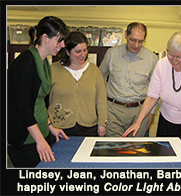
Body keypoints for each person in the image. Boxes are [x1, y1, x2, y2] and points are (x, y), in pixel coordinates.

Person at [123, 32, 181, 151]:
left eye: (179, 57)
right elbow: (152, 97)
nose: (174, 60)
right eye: (171, 55)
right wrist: (138, 122)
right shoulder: (162, 65)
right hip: (167, 121)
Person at [8, 16, 70, 167]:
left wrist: (50, 126)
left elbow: (40, 101)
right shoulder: (25, 63)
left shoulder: (44, 62)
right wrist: (40, 141)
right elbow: (22, 107)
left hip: (39, 133)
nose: (62, 45)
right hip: (25, 139)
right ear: (45, 38)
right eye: (59, 40)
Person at [99, 22, 158, 137]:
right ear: (126, 35)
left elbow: (155, 89)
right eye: (132, 40)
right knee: (112, 148)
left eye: (141, 41)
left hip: (140, 111)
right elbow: (101, 75)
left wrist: (151, 113)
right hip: (113, 110)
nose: (136, 45)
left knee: (136, 149)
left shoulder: (151, 59)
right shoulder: (112, 53)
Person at [48, 31, 108, 137]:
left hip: (89, 127)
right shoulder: (53, 70)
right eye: (77, 51)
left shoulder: (94, 71)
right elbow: (43, 101)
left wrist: (102, 123)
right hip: (59, 128)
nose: (83, 55)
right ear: (67, 51)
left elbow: (101, 100)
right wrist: (48, 124)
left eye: (85, 50)